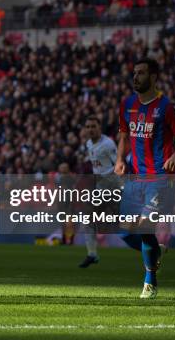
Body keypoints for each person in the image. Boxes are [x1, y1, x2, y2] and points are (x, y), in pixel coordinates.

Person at [115, 58, 175, 299]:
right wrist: (119, 159)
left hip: (160, 178)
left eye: (141, 73)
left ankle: (150, 281)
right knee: (126, 230)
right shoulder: (127, 104)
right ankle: (155, 251)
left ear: (154, 76)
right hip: (135, 178)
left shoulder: (167, 107)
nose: (135, 77)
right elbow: (125, 137)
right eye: (134, 72)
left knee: (144, 224)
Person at [79, 115, 117, 268]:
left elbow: (119, 166)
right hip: (100, 188)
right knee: (87, 218)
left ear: (99, 127)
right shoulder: (89, 144)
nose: (90, 129)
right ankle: (92, 254)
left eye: (93, 126)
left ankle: (152, 248)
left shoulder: (108, 144)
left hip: (112, 187)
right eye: (88, 127)